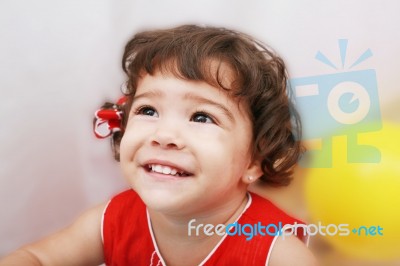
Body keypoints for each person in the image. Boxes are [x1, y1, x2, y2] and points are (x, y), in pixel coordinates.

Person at [0, 24, 316, 265]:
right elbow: (36, 258)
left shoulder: (277, 250)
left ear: (253, 161)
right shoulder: (111, 219)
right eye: (148, 111)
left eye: (202, 117)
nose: (163, 135)